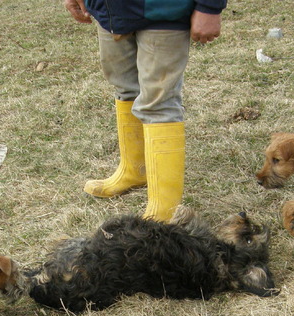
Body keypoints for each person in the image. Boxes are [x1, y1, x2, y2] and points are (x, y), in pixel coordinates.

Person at [64, 0, 227, 222]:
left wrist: (210, 6)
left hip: (164, 10)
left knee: (159, 104)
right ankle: (135, 170)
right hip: (109, 11)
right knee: (125, 88)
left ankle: (164, 213)